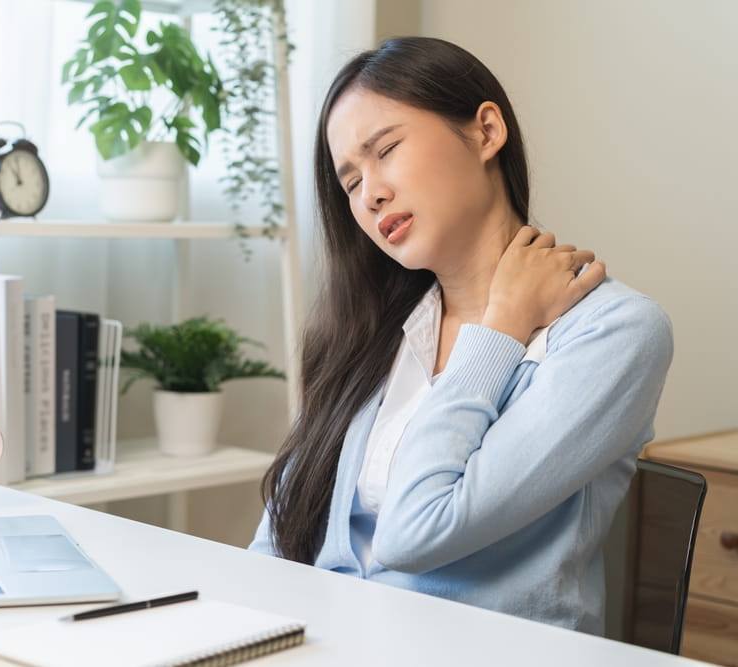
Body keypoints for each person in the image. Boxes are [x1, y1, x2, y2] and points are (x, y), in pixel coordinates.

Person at [248, 36, 673, 635]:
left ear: (485, 131)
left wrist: (498, 329)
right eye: (349, 182)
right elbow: (278, 539)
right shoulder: (371, 330)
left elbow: (417, 531)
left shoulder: (617, 333)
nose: (370, 194)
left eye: (387, 149)